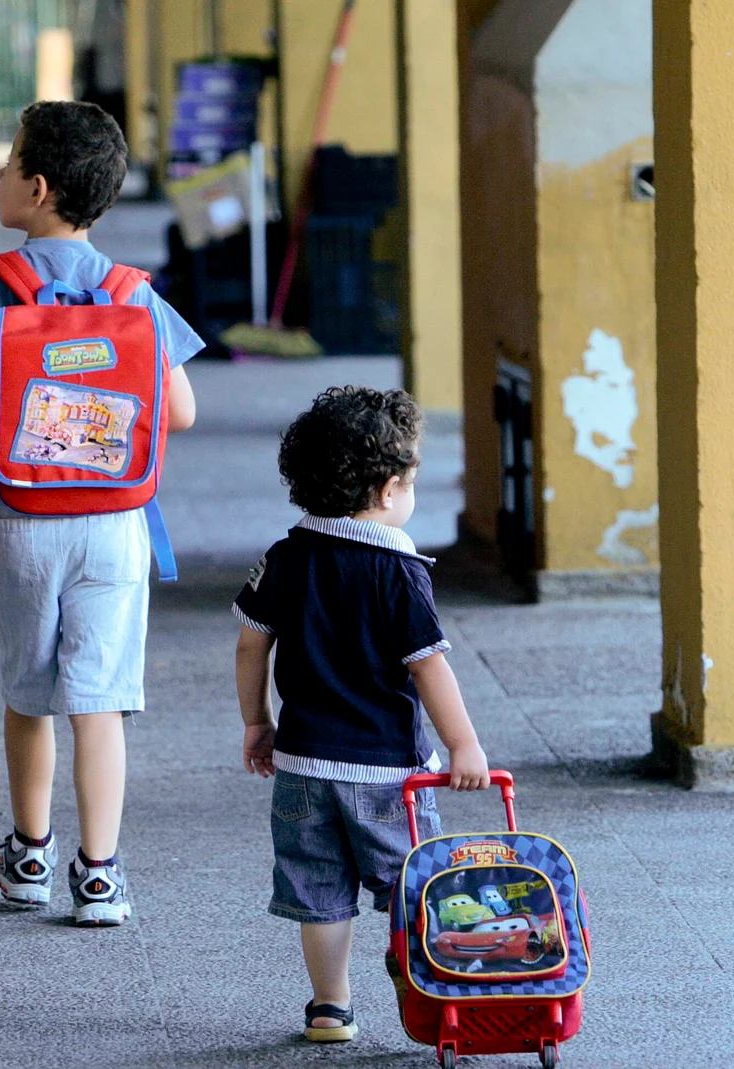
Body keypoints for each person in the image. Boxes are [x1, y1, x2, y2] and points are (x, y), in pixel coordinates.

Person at [0, 101, 202, 928]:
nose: (3, 176)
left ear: (35, 189)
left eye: (9, 163)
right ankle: (102, 875)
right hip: (115, 522)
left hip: (16, 521)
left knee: (30, 688)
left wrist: (23, 428)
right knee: (100, 696)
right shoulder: (132, 293)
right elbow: (177, 411)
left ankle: (31, 854)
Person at [231, 386, 491, 1044]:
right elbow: (428, 665)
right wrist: (463, 744)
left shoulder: (286, 556)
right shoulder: (398, 568)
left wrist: (257, 722)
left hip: (304, 762)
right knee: (412, 877)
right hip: (387, 770)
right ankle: (423, 969)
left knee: (317, 887)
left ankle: (329, 1006)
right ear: (387, 488)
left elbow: (250, 642)